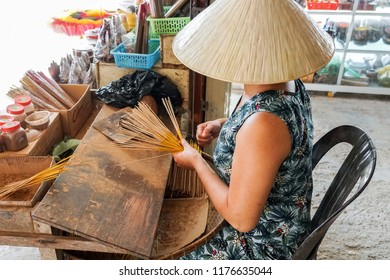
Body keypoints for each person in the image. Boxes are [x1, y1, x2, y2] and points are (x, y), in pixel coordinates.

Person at [171, 0, 335, 260]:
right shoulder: (284, 82)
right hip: (276, 219)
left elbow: (241, 219)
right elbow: (263, 129)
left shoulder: (264, 124)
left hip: (262, 244)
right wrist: (223, 125)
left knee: (167, 254)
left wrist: (196, 162)